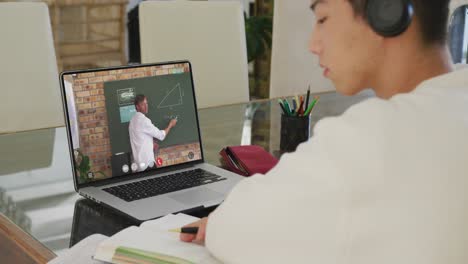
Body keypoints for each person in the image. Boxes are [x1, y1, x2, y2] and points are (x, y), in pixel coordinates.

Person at [178, 0, 468, 263]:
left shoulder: (371, 137)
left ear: (386, 12)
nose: (312, 45)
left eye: (323, 19)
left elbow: (237, 226)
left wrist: (218, 224)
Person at [129, 94, 177, 171]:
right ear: (137, 107)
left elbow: (139, 137)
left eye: (146, 103)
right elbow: (161, 135)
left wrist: (151, 143)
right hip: (147, 164)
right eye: (142, 104)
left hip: (138, 165)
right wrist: (170, 125)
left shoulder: (132, 120)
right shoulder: (144, 121)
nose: (146, 106)